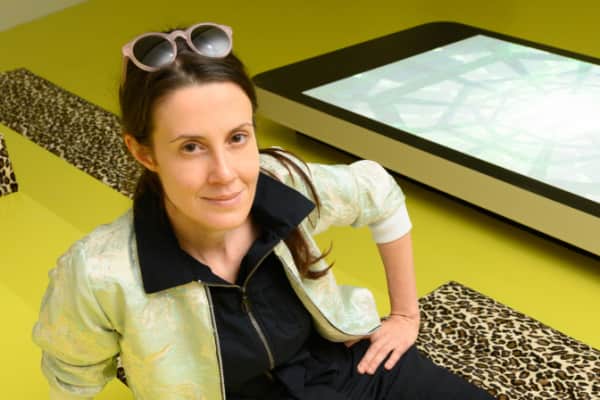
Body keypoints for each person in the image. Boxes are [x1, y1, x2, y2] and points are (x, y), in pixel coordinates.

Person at [33, 22, 494, 400]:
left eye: (237, 138)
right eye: (191, 147)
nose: (226, 174)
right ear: (145, 153)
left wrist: (406, 316)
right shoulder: (99, 272)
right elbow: (71, 380)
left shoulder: (282, 180)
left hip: (348, 368)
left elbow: (379, 192)